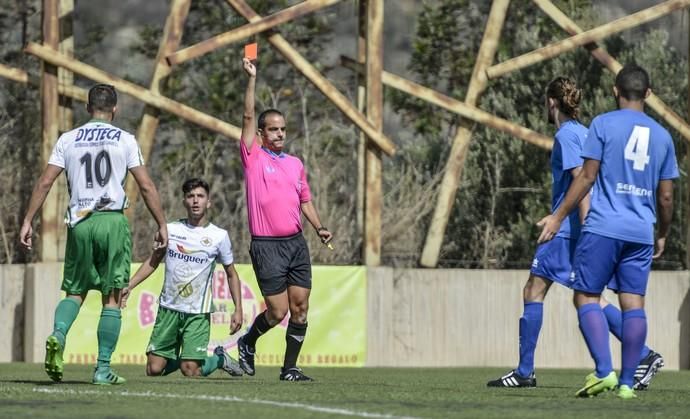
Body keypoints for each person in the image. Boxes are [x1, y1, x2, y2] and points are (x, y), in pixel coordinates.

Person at [487, 77, 664, 390]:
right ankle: (643, 354)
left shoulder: (568, 135)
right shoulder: (585, 132)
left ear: (551, 102)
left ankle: (526, 371)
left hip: (568, 230)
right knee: (588, 297)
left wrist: (581, 228)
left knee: (536, 291)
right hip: (583, 229)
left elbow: (582, 183)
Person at [537, 64, 677, 399]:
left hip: (603, 227)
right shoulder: (662, 136)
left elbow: (585, 178)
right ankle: (628, 383)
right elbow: (667, 195)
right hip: (641, 232)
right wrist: (663, 233)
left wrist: (557, 217)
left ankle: (604, 372)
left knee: (585, 296)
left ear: (615, 91)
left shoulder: (601, 124)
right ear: (648, 94)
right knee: (633, 305)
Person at [19, 84, 168, 385]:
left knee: (74, 292)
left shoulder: (68, 139)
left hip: (80, 222)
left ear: (87, 108)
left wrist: (27, 220)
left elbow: (45, 183)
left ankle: (59, 334)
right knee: (112, 297)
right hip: (111, 222)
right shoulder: (124, 139)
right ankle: (102, 369)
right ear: (115, 109)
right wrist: (161, 223)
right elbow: (147, 185)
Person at [235, 57, 333, 382]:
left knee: (301, 307)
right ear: (260, 134)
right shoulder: (253, 157)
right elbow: (248, 114)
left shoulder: (295, 163)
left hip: (295, 244)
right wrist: (251, 79)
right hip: (266, 246)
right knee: (278, 312)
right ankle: (248, 343)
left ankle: (289, 368)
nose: (279, 134)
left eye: (282, 129)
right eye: (272, 129)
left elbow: (305, 200)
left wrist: (319, 227)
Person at [121, 178, 244, 378]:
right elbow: (153, 261)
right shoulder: (170, 230)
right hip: (168, 309)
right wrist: (130, 285)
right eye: (191, 196)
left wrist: (238, 309)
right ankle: (194, 358)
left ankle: (219, 359)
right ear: (185, 202)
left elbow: (231, 273)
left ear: (208, 202)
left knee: (190, 371)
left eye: (200, 196)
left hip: (197, 312)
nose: (196, 201)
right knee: (154, 370)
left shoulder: (219, 236)